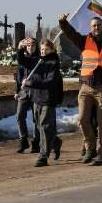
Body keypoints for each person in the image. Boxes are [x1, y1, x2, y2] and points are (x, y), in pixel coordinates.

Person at [58, 10, 102, 166]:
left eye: (98, 25)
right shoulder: (84, 41)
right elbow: (70, 33)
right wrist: (63, 23)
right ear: (90, 28)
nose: (96, 27)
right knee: (82, 119)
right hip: (86, 86)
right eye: (94, 25)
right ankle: (90, 148)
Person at [20, 39, 64, 167]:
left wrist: (31, 83)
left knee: (45, 127)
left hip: (48, 99)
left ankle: (43, 156)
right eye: (42, 49)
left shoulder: (54, 63)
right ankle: (55, 142)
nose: (43, 52)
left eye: (46, 49)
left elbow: (49, 82)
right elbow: (22, 61)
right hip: (36, 98)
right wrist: (20, 49)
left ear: (52, 50)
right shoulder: (38, 61)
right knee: (40, 126)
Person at [15, 37, 40, 154]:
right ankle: (23, 140)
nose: (30, 48)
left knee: (36, 118)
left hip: (36, 91)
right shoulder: (23, 59)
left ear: (36, 47)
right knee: (19, 115)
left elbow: (26, 61)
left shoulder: (39, 59)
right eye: (28, 46)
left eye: (32, 45)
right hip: (24, 92)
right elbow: (18, 77)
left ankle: (36, 143)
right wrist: (16, 91)